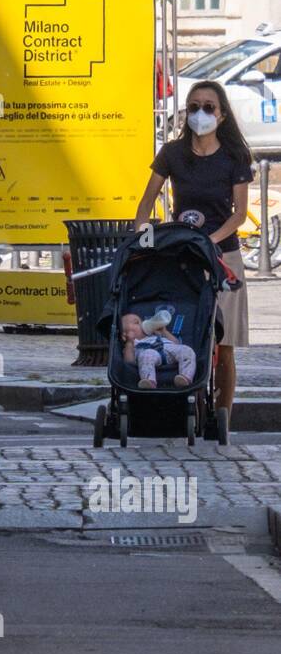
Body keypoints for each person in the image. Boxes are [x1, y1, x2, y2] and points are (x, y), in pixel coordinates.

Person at [132, 79, 252, 415]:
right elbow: (147, 202)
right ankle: (186, 397)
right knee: (184, 330)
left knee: (224, 343)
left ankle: (222, 411)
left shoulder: (234, 157)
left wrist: (208, 241)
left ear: (222, 115)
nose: (201, 113)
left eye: (208, 107)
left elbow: (239, 214)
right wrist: (142, 237)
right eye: (194, 106)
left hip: (222, 255)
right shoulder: (172, 153)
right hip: (183, 256)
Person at [120, 312, 196, 390]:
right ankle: (149, 382)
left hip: (169, 350)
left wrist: (164, 332)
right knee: (146, 355)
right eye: (136, 322)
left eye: (141, 321)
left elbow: (176, 343)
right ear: (125, 335)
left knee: (186, 350)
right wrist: (129, 342)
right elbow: (129, 362)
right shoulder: (132, 344)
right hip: (151, 355)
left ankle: (186, 377)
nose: (142, 323)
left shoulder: (155, 334)